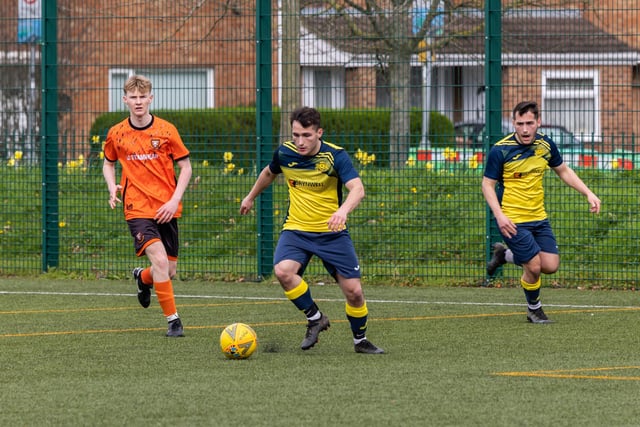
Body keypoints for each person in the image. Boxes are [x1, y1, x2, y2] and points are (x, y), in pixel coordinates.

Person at [240, 106, 384, 354]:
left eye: (306, 135)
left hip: (331, 233)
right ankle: (315, 317)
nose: (300, 141)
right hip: (296, 230)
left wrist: (342, 211)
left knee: (354, 292)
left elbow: (358, 189)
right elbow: (268, 172)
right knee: (283, 272)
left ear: (319, 133)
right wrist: (250, 196)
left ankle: (360, 341)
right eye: (296, 135)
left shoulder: (335, 157)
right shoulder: (285, 153)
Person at [482, 101, 601, 323]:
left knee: (550, 266)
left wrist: (588, 193)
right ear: (513, 123)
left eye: (529, 123)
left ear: (539, 122)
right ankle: (534, 309)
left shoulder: (545, 144)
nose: (525, 129)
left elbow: (563, 170)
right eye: (519, 124)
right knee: (534, 265)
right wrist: (499, 215)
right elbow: (487, 185)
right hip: (512, 219)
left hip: (539, 217)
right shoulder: (501, 150)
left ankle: (504, 255)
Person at [102, 75, 192, 337]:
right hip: (136, 208)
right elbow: (109, 162)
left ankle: (142, 278)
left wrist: (174, 199)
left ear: (150, 98)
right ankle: (173, 322)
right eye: (133, 97)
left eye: (143, 97)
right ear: (125, 100)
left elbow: (185, 167)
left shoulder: (166, 131)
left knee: (169, 270)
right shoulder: (116, 133)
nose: (138, 102)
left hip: (166, 208)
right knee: (161, 260)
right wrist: (111, 186)